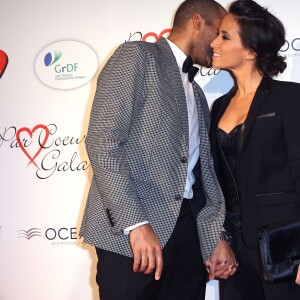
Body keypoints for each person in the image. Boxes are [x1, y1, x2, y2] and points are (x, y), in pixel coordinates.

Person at [80, 0, 237, 299]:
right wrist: (135, 224)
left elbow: (201, 176)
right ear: (197, 22)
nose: (218, 44)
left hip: (188, 236)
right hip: (133, 235)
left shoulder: (199, 94)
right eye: (218, 32)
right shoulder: (136, 56)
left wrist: (214, 235)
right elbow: (103, 141)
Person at [209, 0, 300, 299]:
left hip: (283, 247)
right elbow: (217, 182)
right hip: (234, 251)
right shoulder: (218, 106)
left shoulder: (289, 98)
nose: (214, 42)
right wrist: (219, 239)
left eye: (224, 36)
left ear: (250, 51)